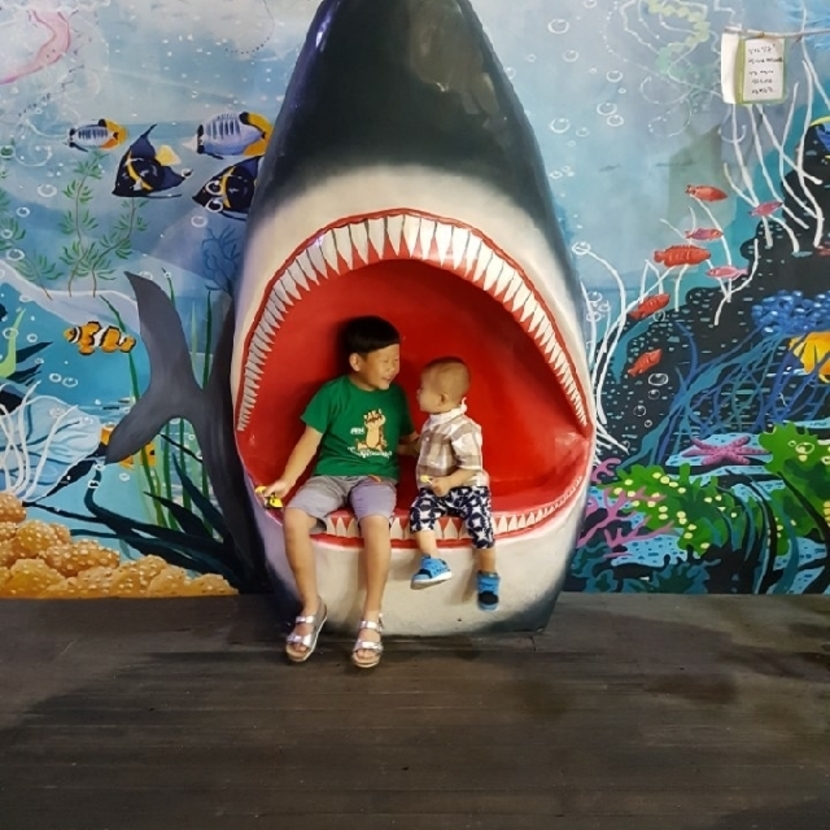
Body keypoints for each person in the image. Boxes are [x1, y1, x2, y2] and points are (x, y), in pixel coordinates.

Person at [260, 316, 417, 668]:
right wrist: (287, 481)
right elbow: (309, 442)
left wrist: (432, 448)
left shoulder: (396, 396)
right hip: (330, 476)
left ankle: (371, 616)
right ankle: (311, 607)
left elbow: (405, 442)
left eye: (396, 360)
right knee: (295, 516)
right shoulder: (332, 394)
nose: (393, 368)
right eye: (385, 361)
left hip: (375, 479)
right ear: (356, 361)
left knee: (376, 524)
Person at [408, 357, 500, 611]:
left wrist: (449, 482)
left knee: (480, 525)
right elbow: (418, 449)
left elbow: (472, 467)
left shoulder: (463, 429)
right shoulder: (432, 423)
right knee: (419, 511)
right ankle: (433, 561)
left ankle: (488, 575)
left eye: (422, 389)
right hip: (437, 488)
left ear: (441, 398)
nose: (417, 392)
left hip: (467, 488)